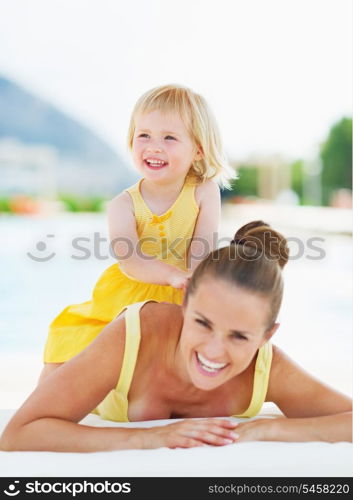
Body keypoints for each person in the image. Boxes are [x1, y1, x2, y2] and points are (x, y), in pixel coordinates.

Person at [1, 221, 351, 452]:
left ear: (267, 335)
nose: (214, 350)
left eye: (240, 337)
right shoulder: (131, 337)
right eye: (203, 323)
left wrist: (265, 430)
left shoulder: (268, 368)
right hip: (90, 349)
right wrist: (148, 438)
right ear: (184, 303)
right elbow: (19, 434)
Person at [43, 84, 235, 365]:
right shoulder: (123, 205)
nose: (154, 147)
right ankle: (49, 394)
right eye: (144, 135)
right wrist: (170, 275)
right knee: (75, 338)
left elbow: (202, 247)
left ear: (198, 149)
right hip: (133, 289)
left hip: (187, 285)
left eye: (169, 137)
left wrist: (192, 281)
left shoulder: (203, 190)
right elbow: (130, 259)